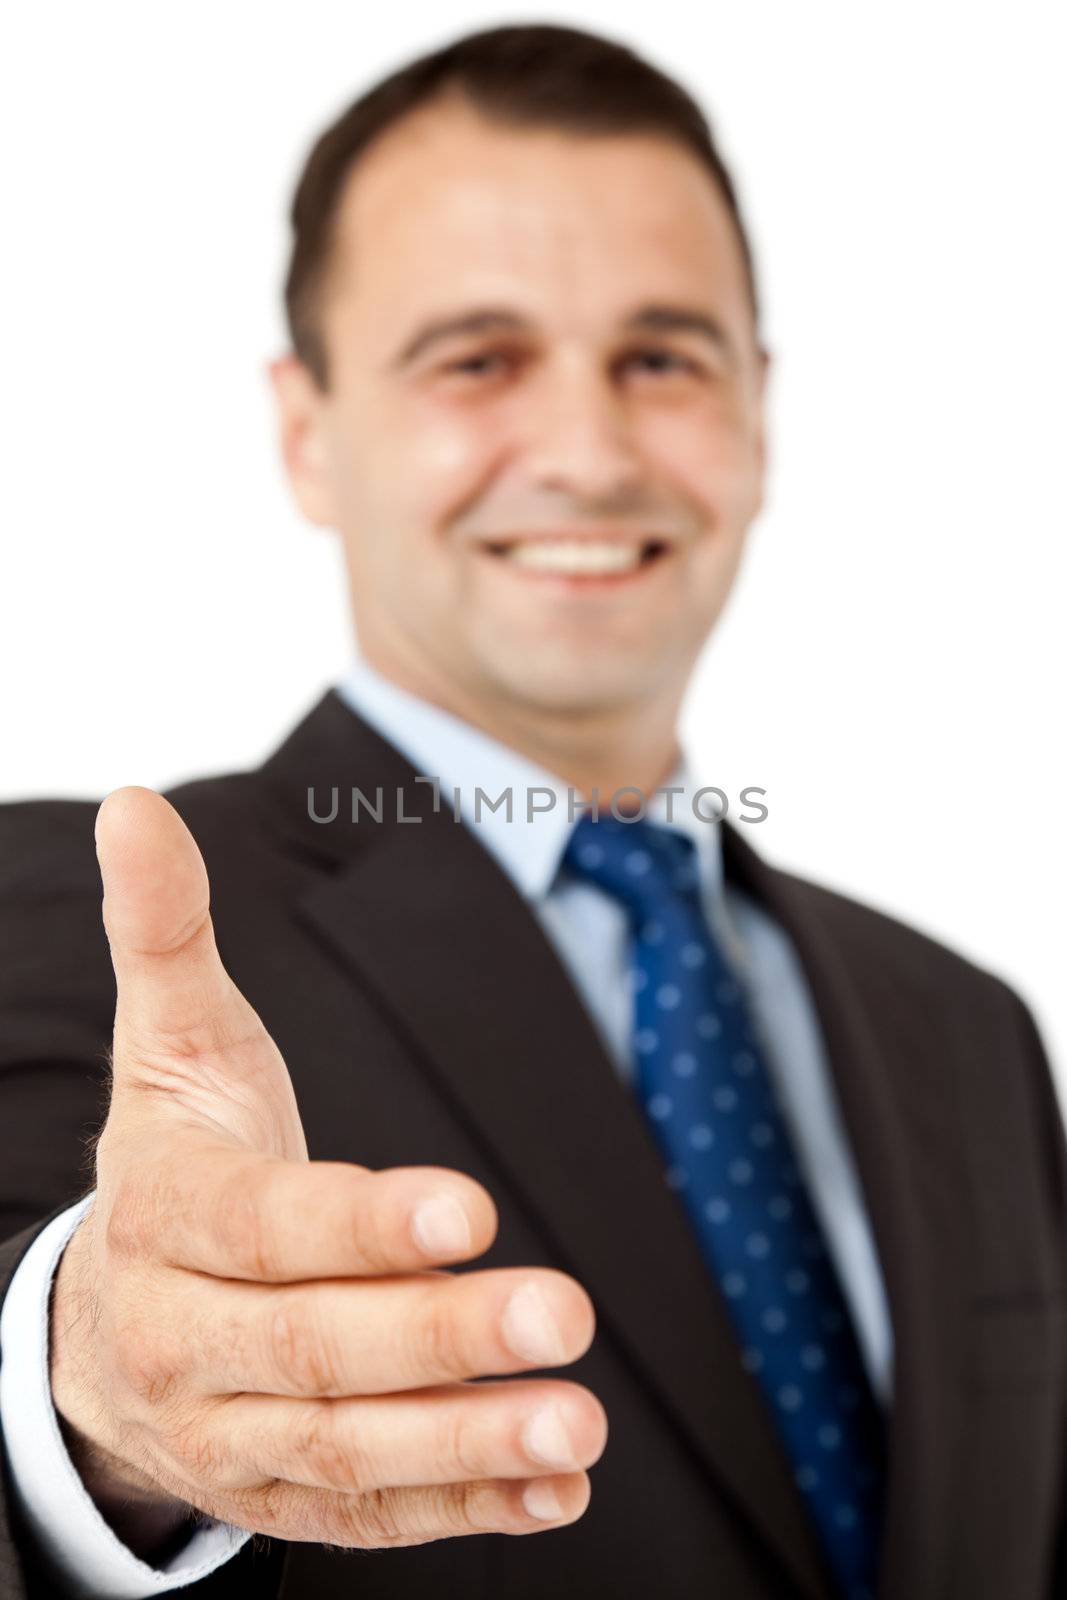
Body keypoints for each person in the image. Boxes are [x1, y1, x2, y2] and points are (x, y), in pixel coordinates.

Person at [0, 21, 1063, 1600]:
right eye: (477, 359)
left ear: (755, 415)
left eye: (661, 358)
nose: (587, 452)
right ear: (308, 430)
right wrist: (96, 1412)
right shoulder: (83, 918)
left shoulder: (968, 1028)